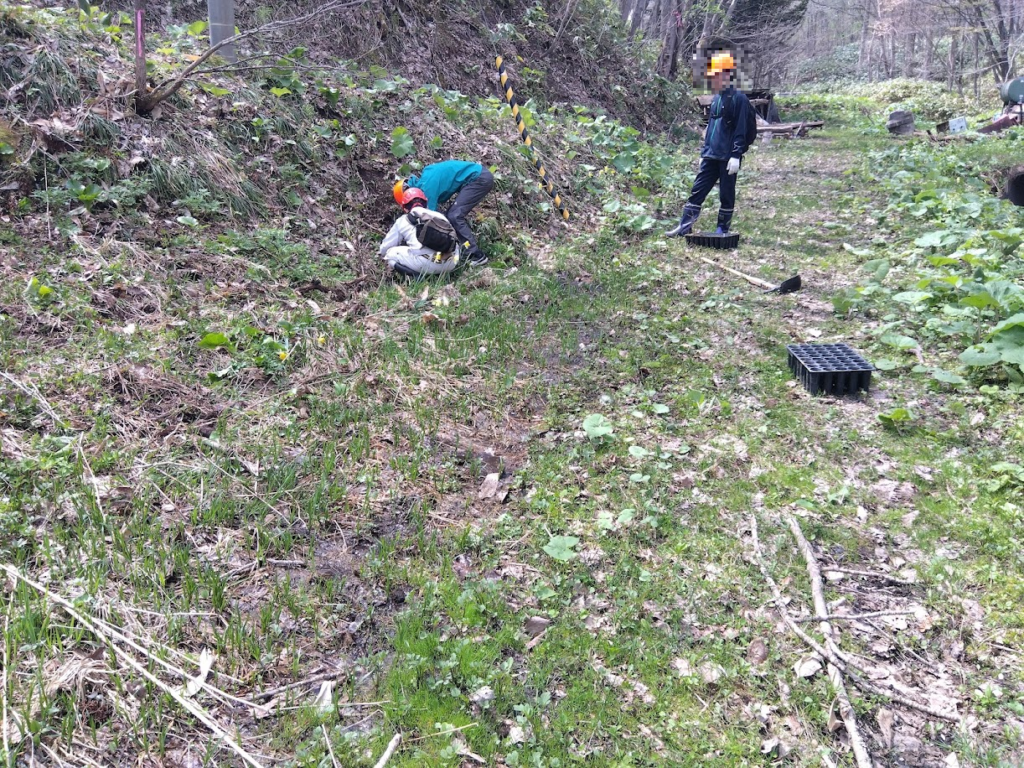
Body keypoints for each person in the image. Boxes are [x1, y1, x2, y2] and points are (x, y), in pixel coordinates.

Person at [667, 52, 754, 237]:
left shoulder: (739, 99)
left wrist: (736, 155)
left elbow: (742, 129)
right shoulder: (716, 99)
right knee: (697, 190)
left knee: (726, 194)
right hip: (710, 155)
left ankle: (722, 229)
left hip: (727, 157)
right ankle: (684, 226)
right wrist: (704, 152)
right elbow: (711, 128)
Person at [393, 160, 493, 266]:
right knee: (452, 216)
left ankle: (475, 255)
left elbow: (430, 218)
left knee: (454, 216)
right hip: (479, 176)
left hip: (478, 178)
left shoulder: (427, 187)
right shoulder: (426, 178)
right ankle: (465, 250)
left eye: (409, 205)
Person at [380, 187, 461, 278]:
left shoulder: (402, 220)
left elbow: (385, 248)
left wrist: (380, 254)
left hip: (426, 264)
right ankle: (440, 273)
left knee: (390, 253)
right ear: (425, 203)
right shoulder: (440, 216)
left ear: (405, 208)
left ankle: (416, 276)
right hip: (452, 262)